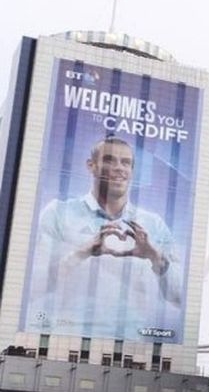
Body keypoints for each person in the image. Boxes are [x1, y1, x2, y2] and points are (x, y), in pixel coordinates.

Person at [25, 136, 182, 340]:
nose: (119, 168)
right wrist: (81, 253)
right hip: (65, 338)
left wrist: (155, 256)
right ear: (91, 166)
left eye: (126, 162)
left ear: (132, 171)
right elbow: (31, 287)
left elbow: (180, 298)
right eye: (109, 160)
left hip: (132, 345)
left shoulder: (154, 225)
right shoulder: (57, 213)